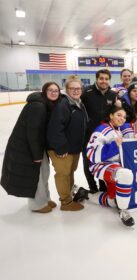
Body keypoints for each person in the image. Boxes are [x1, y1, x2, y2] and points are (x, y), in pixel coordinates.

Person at [1, 82, 61, 213]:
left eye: (56, 90)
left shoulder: (45, 104)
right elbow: (33, 132)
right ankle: (37, 205)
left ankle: (45, 198)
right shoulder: (38, 107)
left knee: (44, 173)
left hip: (37, 146)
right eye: (50, 90)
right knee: (37, 176)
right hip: (28, 148)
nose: (53, 92)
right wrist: (36, 155)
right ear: (44, 91)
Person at [86, 106, 135, 226]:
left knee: (114, 201)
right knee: (125, 174)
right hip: (100, 165)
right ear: (111, 115)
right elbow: (91, 154)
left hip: (115, 166)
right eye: (119, 115)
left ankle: (85, 194)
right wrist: (114, 145)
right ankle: (124, 211)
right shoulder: (101, 129)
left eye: (124, 117)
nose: (122, 118)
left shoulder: (117, 130)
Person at [47, 75, 88, 211]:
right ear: (67, 89)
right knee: (63, 175)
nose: (76, 91)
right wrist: (60, 148)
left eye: (78, 88)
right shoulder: (63, 105)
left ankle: (69, 196)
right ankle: (65, 202)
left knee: (70, 172)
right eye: (72, 88)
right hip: (63, 149)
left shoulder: (78, 103)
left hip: (74, 148)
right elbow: (55, 128)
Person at [81, 69, 120, 194]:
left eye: (106, 79)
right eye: (101, 78)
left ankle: (103, 187)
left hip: (105, 135)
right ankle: (92, 187)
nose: (104, 81)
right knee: (88, 161)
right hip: (88, 134)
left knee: (103, 160)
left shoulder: (112, 95)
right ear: (96, 79)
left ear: (109, 80)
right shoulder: (86, 92)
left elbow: (115, 114)